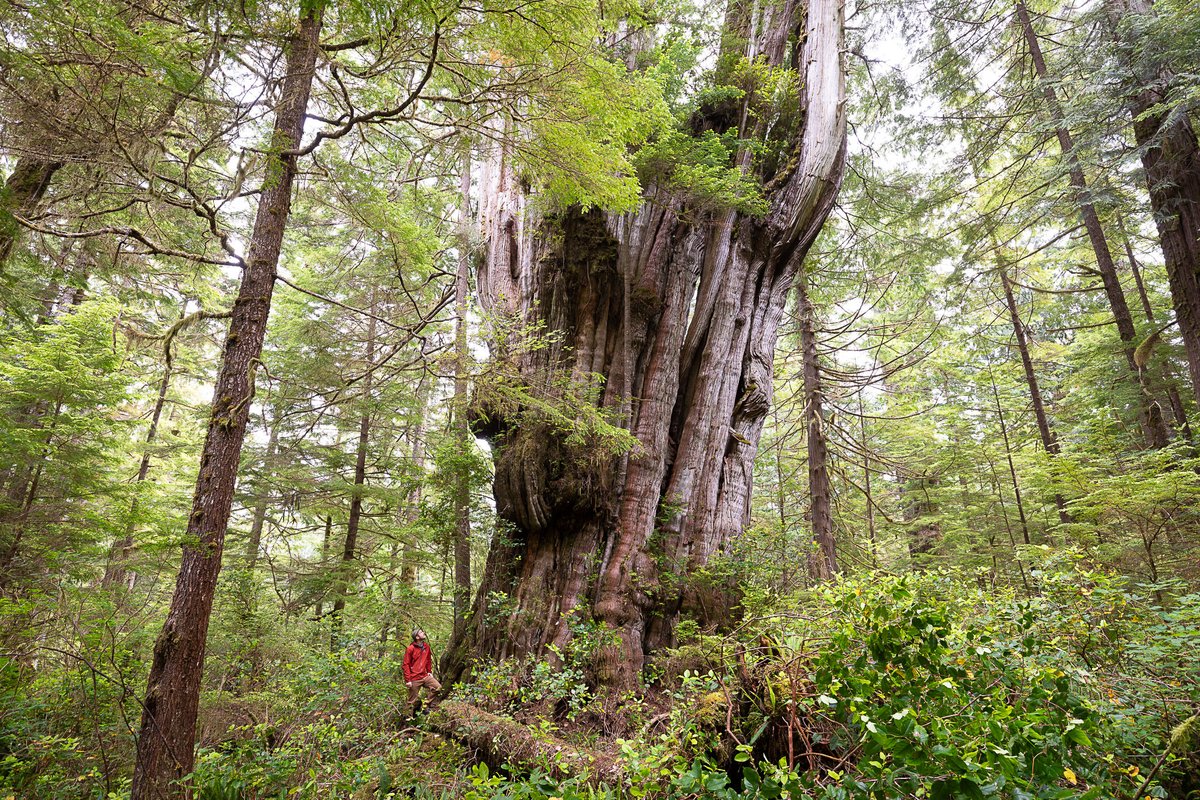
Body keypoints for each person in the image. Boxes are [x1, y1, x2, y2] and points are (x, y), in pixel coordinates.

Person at [403, 628, 440, 712]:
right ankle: (407, 721)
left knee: (437, 687)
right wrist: (408, 680)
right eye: (421, 632)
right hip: (414, 678)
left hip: (425, 676)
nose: (423, 632)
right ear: (417, 637)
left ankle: (424, 706)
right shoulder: (410, 648)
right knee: (411, 702)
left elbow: (428, 660)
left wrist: (429, 671)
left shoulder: (426, 646)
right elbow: (406, 665)